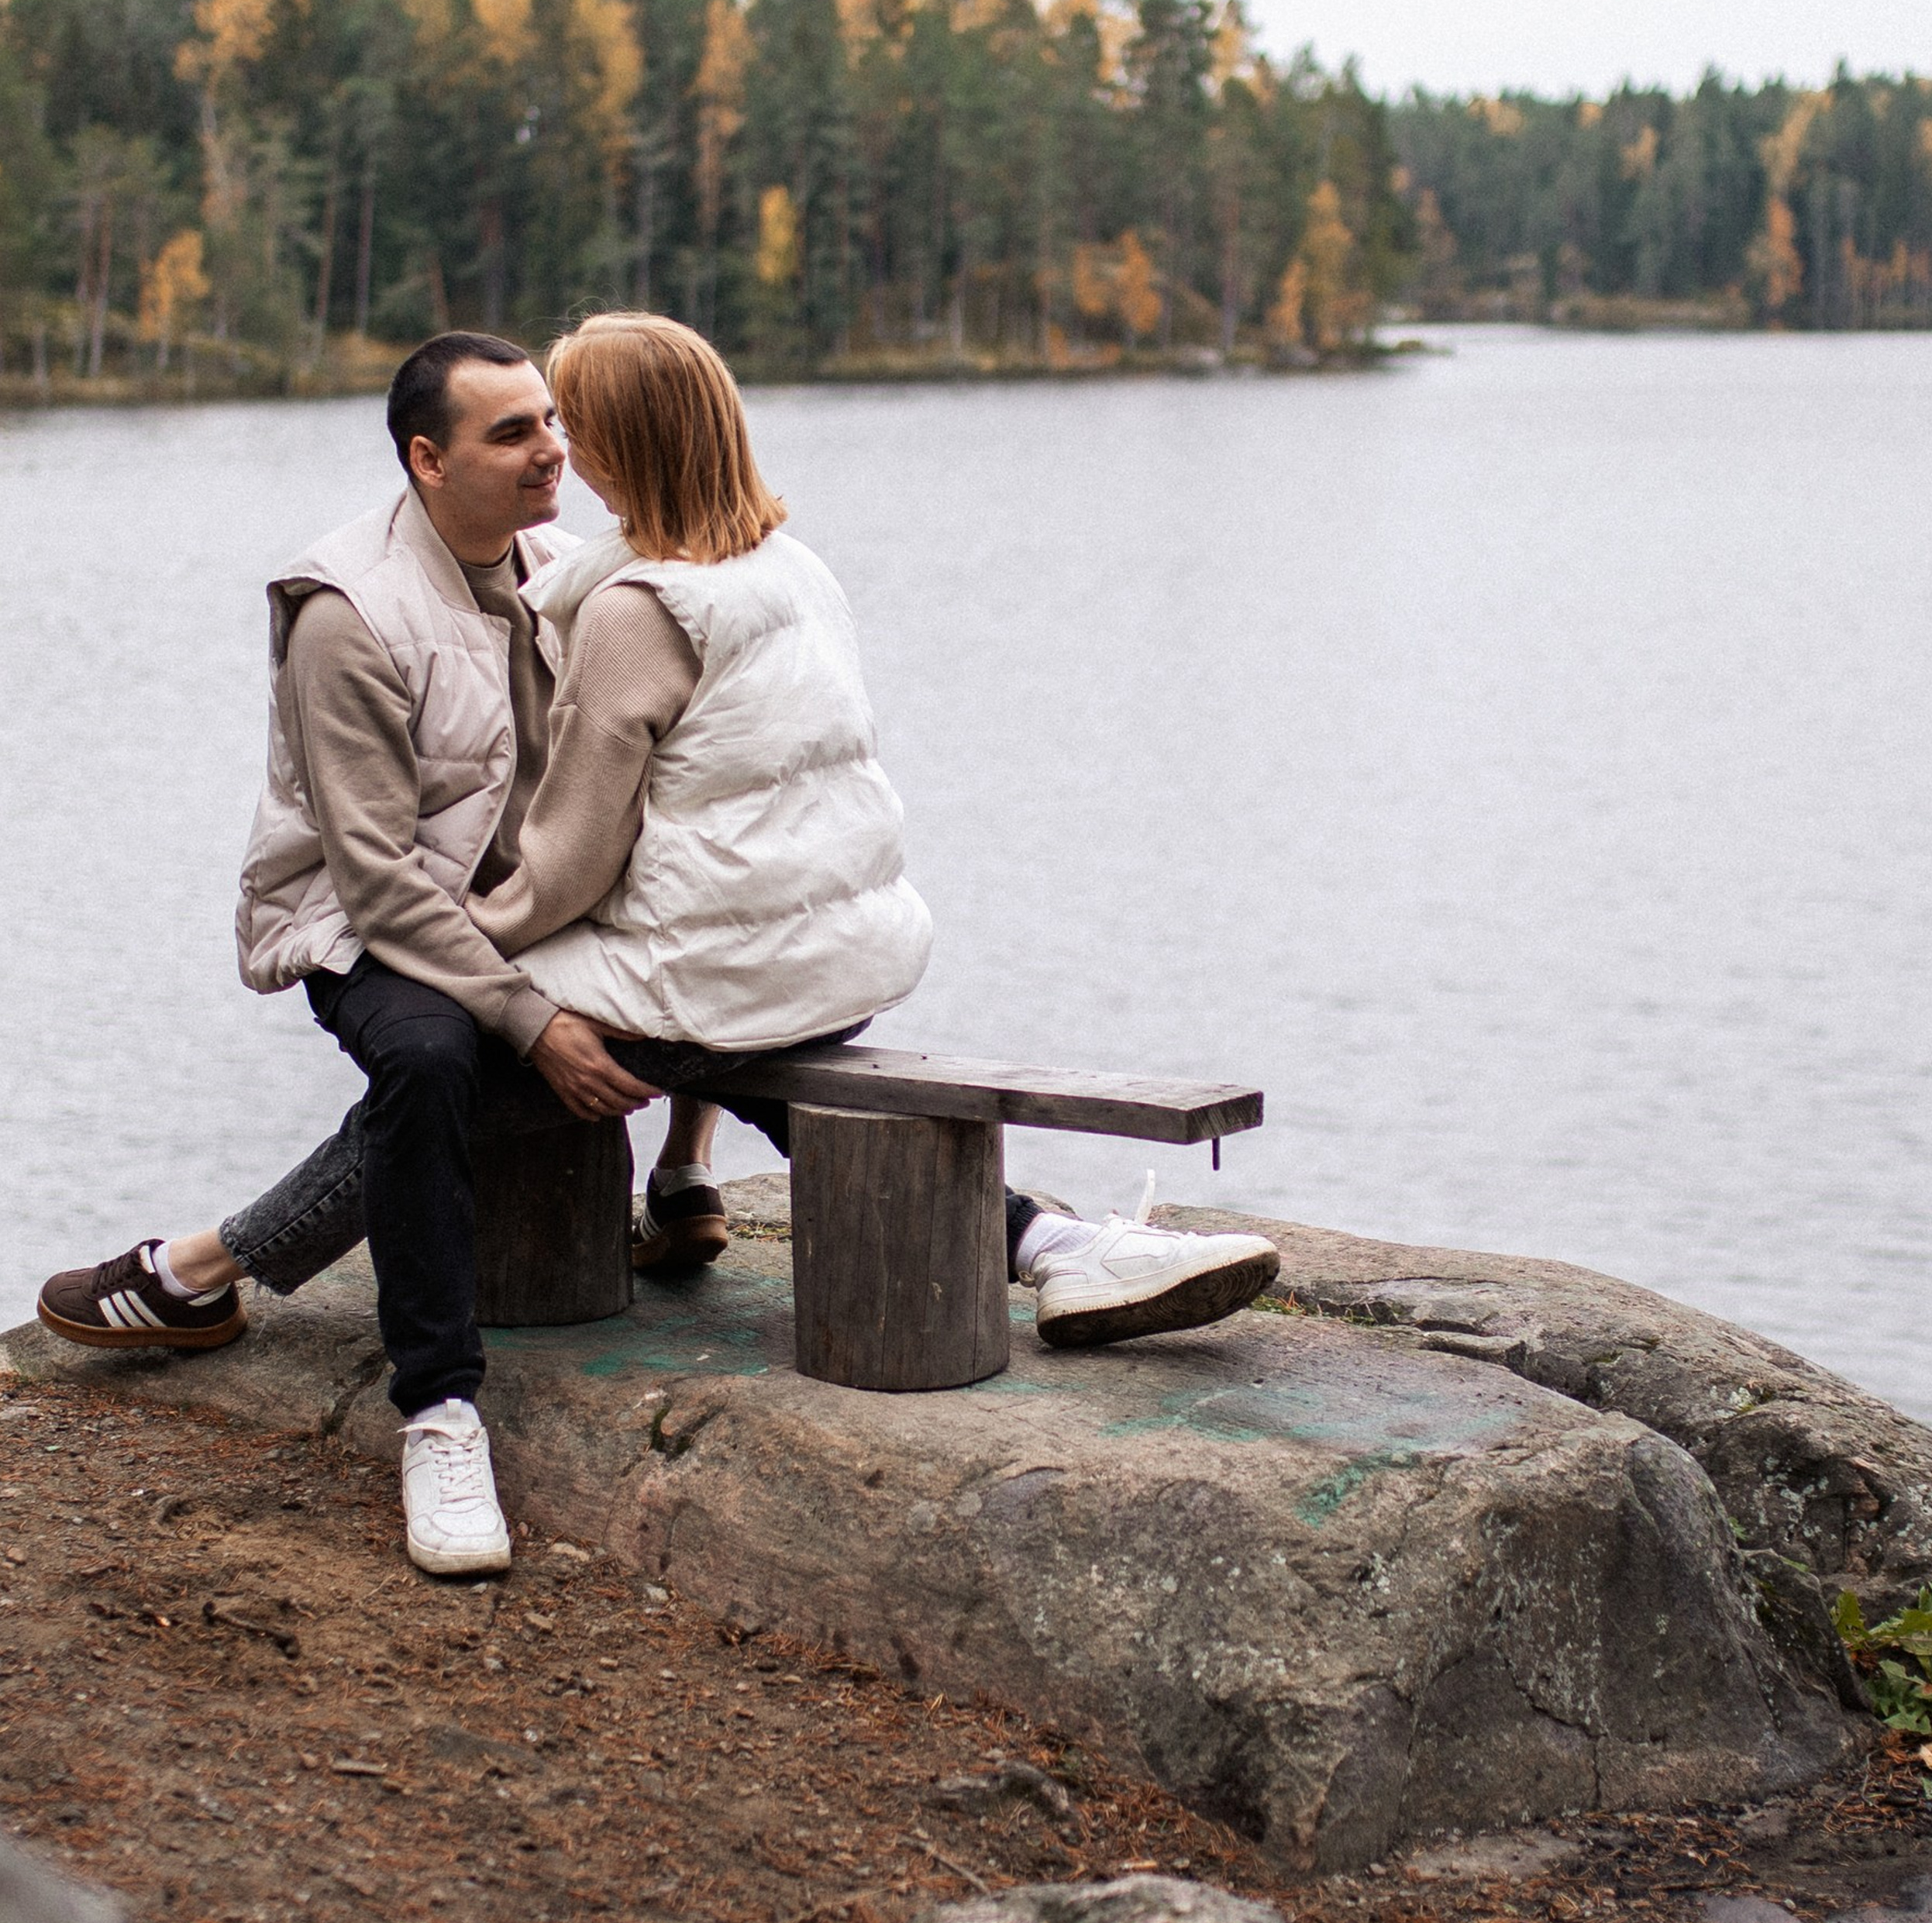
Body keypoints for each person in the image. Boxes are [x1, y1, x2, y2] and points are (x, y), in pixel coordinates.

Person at [40, 317, 1279, 1573]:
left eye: (556, 421)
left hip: (537, 911)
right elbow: (374, 876)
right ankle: (438, 1408)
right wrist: (531, 1014)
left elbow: (635, 817)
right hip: (376, 925)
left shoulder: (574, 568)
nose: (550, 450)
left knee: (704, 1015)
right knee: (432, 1061)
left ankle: (200, 1270)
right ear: (427, 458)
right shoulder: (346, 615)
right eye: (513, 432)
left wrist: (610, 997)